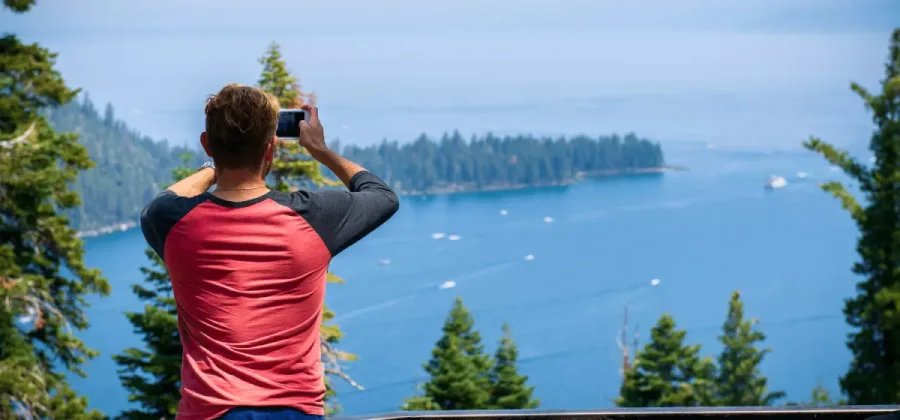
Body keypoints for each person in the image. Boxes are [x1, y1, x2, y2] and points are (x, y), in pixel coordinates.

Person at [140, 83, 399, 420]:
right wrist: (320, 150)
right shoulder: (314, 218)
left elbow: (160, 203)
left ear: (207, 144)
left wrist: (212, 166)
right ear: (271, 149)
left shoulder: (171, 222)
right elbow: (381, 195)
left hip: (208, 412)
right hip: (294, 411)